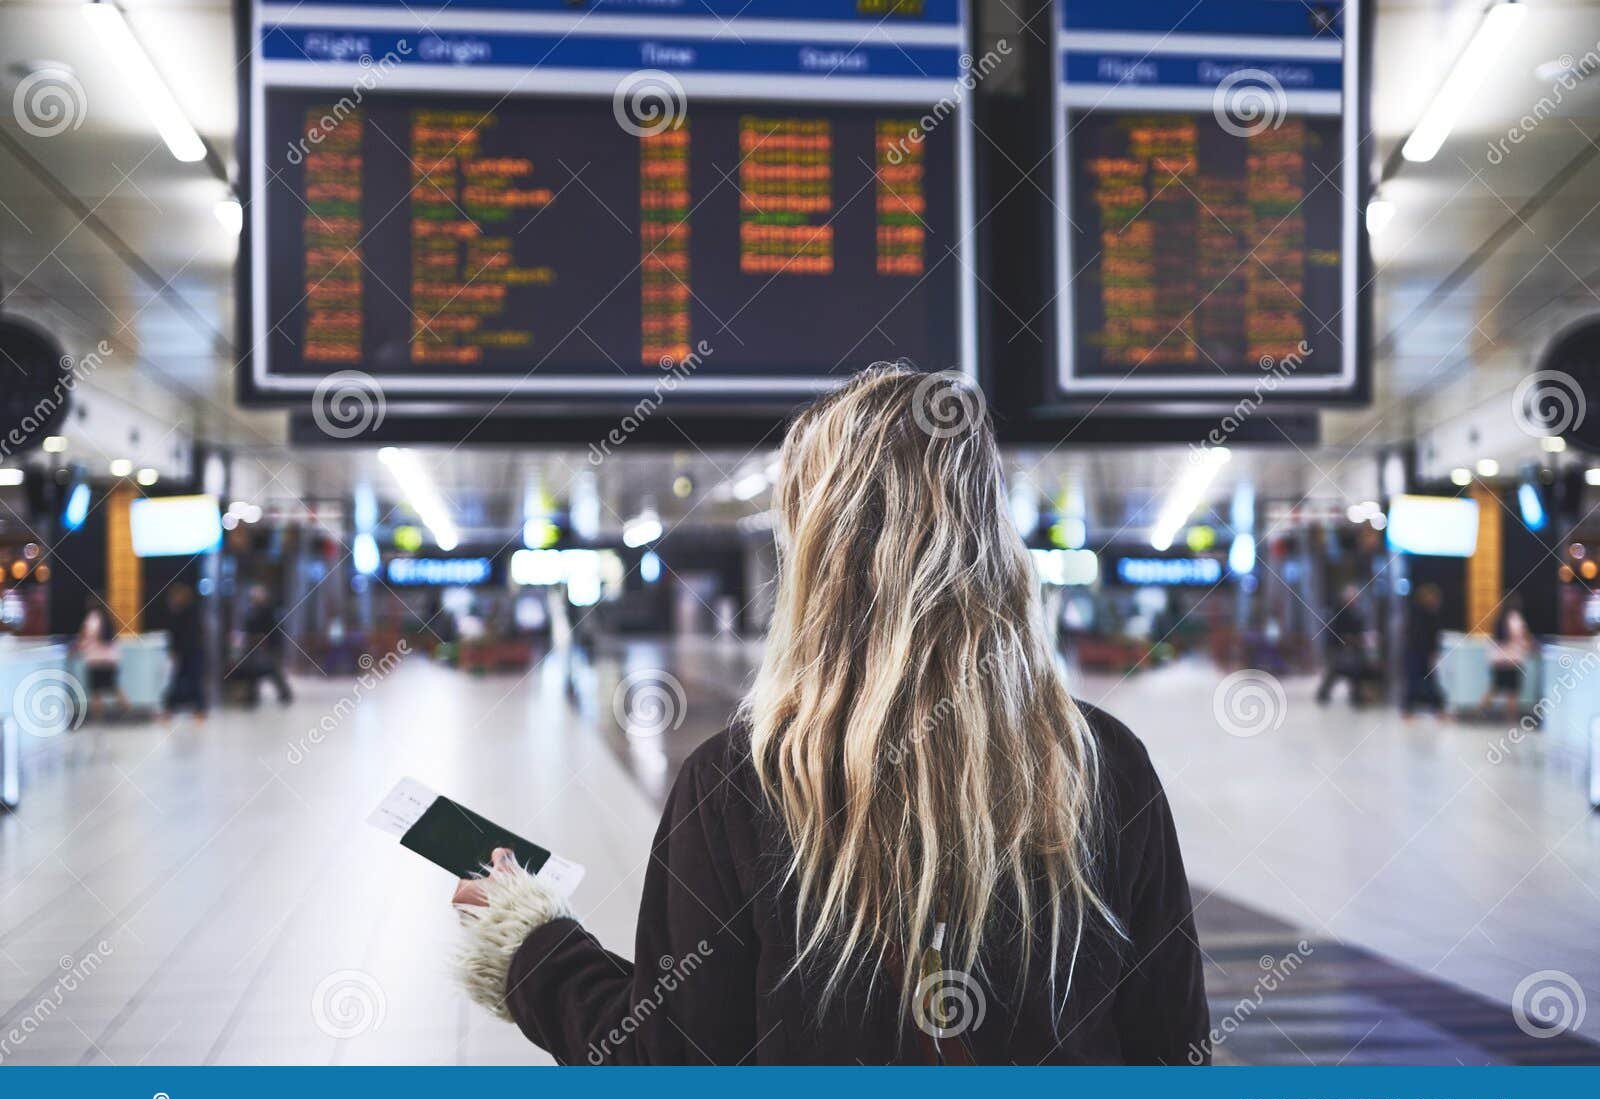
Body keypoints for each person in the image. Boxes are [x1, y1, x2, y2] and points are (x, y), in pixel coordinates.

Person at [449, 364, 1209, 1063]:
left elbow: (673, 1069)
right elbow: (1172, 1048)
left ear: (818, 552)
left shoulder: (744, 784)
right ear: (992, 530)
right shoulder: (1101, 762)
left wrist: (532, 943)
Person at [1481, 594, 1534, 719]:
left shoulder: (1498, 619)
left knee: (1494, 688)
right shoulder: (1515, 619)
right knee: (1513, 692)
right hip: (1512, 661)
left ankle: (1480, 710)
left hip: (1498, 661)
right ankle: (1511, 719)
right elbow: (1523, 637)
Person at [237, 585, 293, 705]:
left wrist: (264, 639)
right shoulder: (252, 610)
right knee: (253, 670)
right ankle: (251, 695)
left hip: (267, 646)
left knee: (272, 670)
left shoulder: (269, 610)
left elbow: (273, 629)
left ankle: (284, 694)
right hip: (253, 645)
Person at [1315, 584, 1368, 706]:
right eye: (1352, 597)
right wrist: (1347, 638)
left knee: (1353, 671)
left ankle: (1356, 695)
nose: (1354, 600)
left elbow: (1358, 628)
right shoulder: (1339, 611)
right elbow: (1336, 630)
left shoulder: (1356, 612)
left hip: (1351, 647)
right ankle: (1324, 694)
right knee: (1334, 671)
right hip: (1337, 647)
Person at [162, 584, 206, 718]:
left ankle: (199, 709)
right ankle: (170, 708)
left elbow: (189, 634)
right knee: (178, 680)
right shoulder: (177, 612)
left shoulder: (190, 612)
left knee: (194, 680)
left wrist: (177, 650)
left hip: (192, 652)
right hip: (184, 652)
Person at [1402, 584, 1445, 718]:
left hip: (1425, 653)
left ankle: (1438, 709)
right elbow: (1417, 635)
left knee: (1430, 681)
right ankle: (1408, 710)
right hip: (1415, 652)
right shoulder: (1418, 614)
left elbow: (1434, 636)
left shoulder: (1432, 614)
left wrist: (1433, 651)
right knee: (1414, 681)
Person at [75, 606, 124, 718]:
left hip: (95, 660)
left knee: (95, 691)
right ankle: (128, 710)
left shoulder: (92, 619)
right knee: (114, 688)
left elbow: (86, 636)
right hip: (110, 661)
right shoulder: (109, 619)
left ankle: (97, 717)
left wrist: (79, 646)